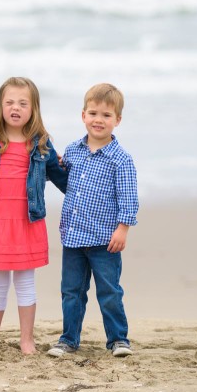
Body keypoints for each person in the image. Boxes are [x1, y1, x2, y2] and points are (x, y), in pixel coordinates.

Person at [0, 77, 67, 355]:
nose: (15, 108)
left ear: (33, 109)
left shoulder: (41, 144)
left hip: (28, 222)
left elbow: (64, 181)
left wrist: (79, 166)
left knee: (25, 282)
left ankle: (27, 340)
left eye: (23, 103)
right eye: (9, 102)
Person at [48, 83, 138, 358]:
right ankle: (69, 339)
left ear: (117, 120)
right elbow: (67, 181)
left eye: (106, 115)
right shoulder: (73, 151)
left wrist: (122, 229)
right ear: (83, 115)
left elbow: (128, 197)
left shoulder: (121, 160)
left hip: (104, 241)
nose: (99, 120)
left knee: (109, 292)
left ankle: (118, 340)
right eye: (93, 113)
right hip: (73, 237)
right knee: (71, 292)